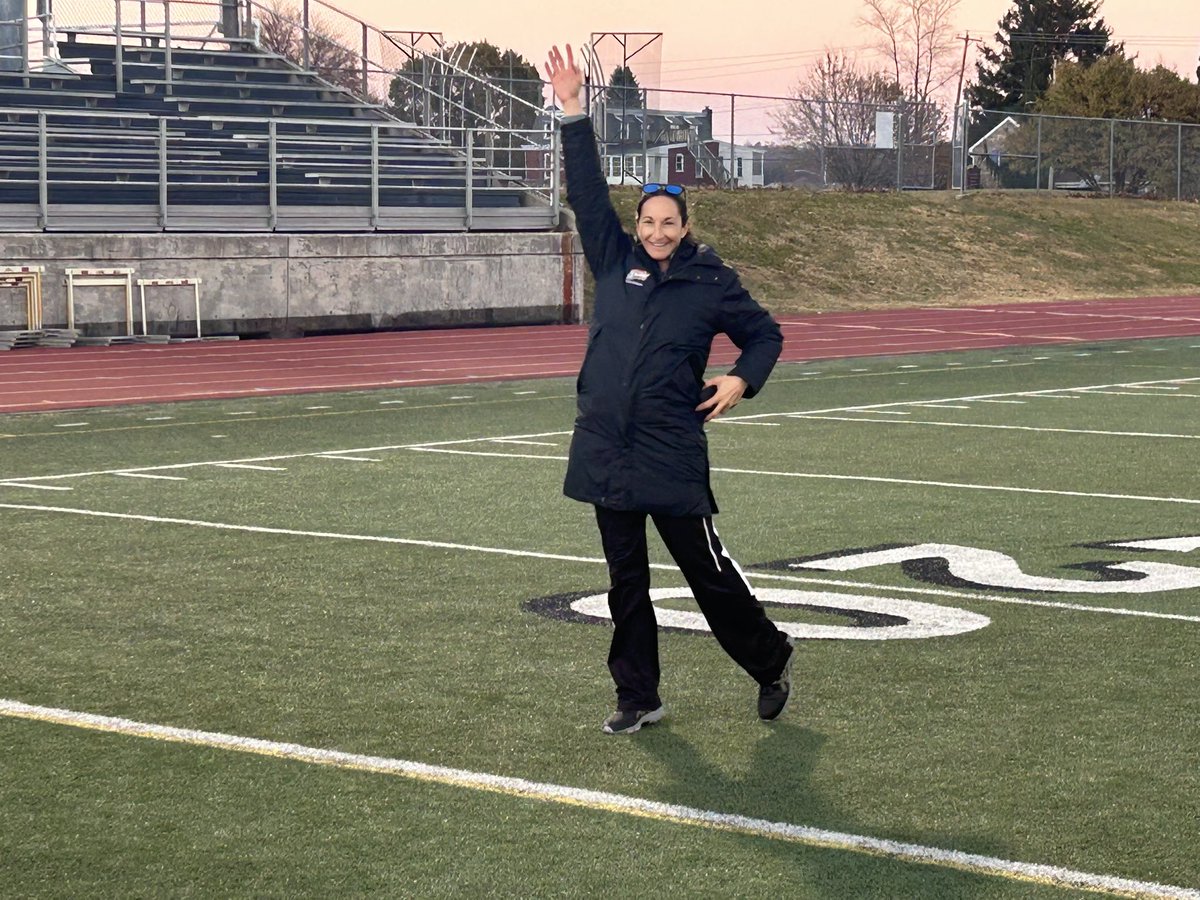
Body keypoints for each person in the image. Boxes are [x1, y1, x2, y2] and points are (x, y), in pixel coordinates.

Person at [544, 45, 795, 735]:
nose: (656, 232)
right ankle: (638, 696)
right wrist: (572, 109)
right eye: (648, 221)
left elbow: (766, 335)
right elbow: (587, 191)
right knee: (626, 583)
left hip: (670, 450)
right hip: (606, 450)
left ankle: (769, 658)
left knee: (707, 575)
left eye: (668, 223)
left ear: (685, 228)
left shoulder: (711, 283)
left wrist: (743, 378)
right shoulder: (613, 256)